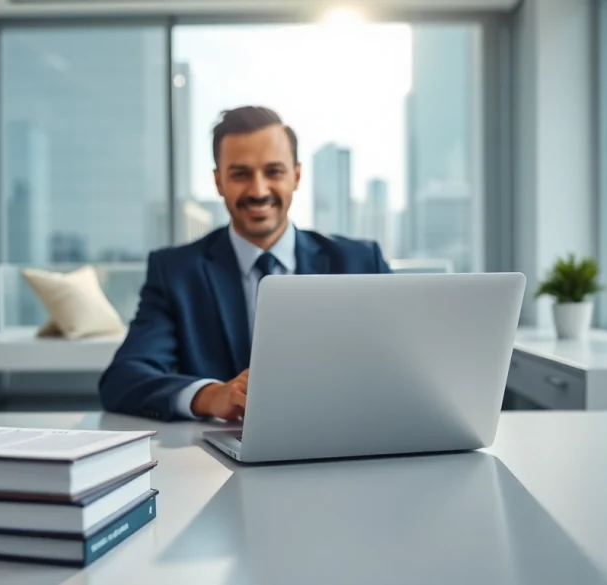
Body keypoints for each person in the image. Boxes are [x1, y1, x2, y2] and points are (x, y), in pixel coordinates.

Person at [98, 106, 391, 421]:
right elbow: (123, 379)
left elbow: (406, 364)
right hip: (216, 460)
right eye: (240, 174)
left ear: (297, 176)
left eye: (273, 172)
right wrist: (212, 396)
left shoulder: (360, 261)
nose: (258, 190)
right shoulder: (176, 272)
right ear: (218, 181)